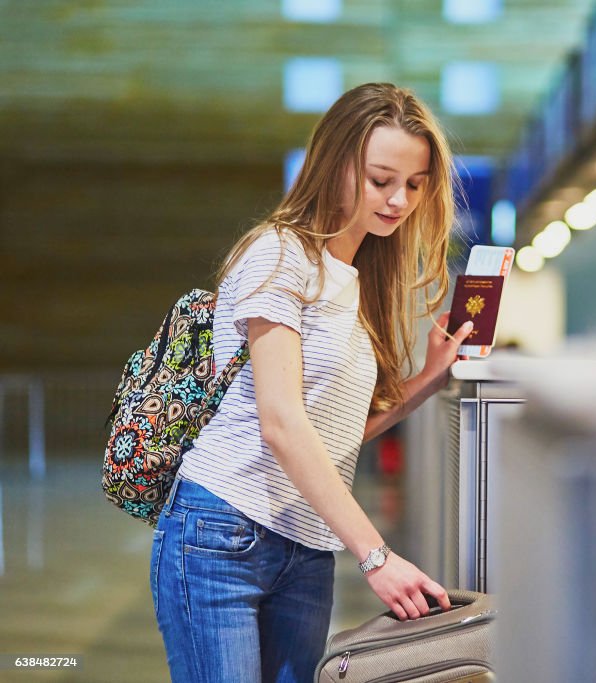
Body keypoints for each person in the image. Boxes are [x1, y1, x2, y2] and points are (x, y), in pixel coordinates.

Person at [150, 82, 476, 683]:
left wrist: (426, 380)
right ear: (336, 163)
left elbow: (332, 434)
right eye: (381, 180)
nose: (399, 199)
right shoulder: (278, 255)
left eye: (415, 182)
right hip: (221, 533)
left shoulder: (354, 275)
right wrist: (376, 556)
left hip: (306, 547)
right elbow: (281, 423)